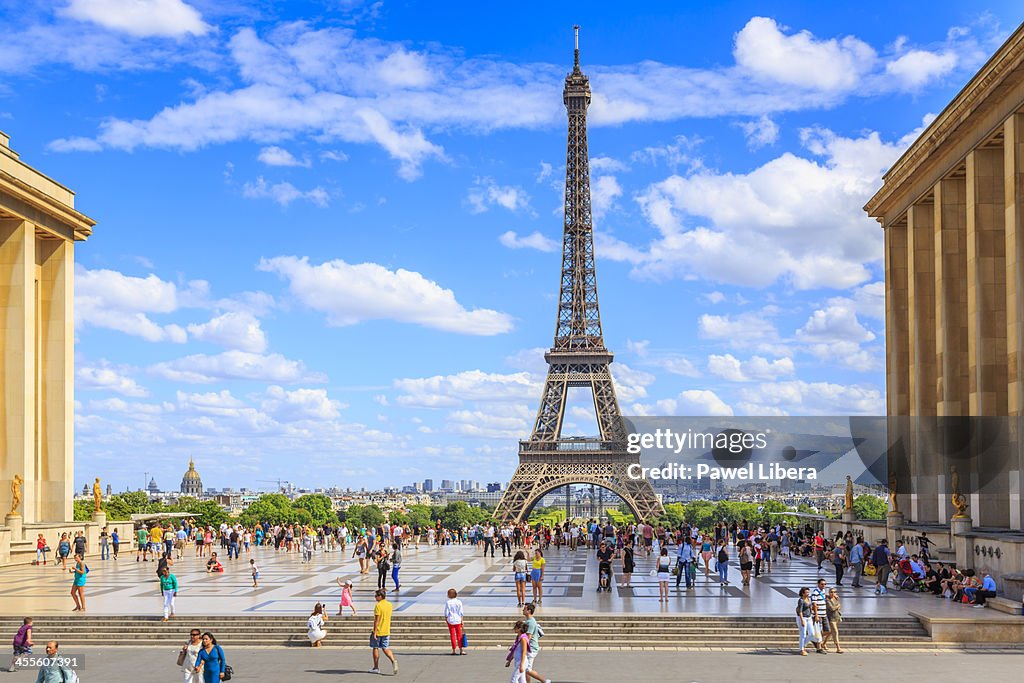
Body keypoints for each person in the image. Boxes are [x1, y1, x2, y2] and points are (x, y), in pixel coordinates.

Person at [369, 589, 398, 676]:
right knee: (385, 647)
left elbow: (376, 620)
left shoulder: (378, 606)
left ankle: (376, 667)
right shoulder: (389, 605)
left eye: (376, 596)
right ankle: (393, 660)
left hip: (378, 631)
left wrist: (374, 632)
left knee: (375, 647)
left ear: (380, 596)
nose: (375, 597)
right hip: (386, 630)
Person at [521, 603, 551, 683]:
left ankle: (544, 681)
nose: (523, 610)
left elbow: (528, 637)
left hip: (531, 648)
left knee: (527, 669)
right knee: (526, 668)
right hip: (529, 648)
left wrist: (520, 645)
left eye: (525, 609)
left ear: (529, 611)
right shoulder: (528, 621)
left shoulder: (530, 622)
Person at [795, 588, 819, 656]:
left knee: (811, 633)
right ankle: (802, 649)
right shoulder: (801, 600)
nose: (808, 593)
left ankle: (802, 645)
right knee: (803, 634)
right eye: (806, 592)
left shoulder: (809, 599)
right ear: (803, 593)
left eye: (808, 592)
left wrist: (813, 611)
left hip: (809, 617)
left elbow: (810, 607)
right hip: (803, 618)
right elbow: (800, 611)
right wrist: (802, 620)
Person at [444, 588, 465, 656]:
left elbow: (446, 613)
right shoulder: (459, 602)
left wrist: (446, 619)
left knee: (452, 635)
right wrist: (462, 620)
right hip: (458, 620)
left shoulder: (448, 602)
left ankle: (454, 650)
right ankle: (461, 650)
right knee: (459, 635)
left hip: (451, 620)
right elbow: (461, 612)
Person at [824, 587, 843, 652]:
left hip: (836, 617)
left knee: (831, 632)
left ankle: (823, 643)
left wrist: (838, 602)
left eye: (834, 592)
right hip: (831, 618)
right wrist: (837, 606)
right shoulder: (827, 600)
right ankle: (838, 647)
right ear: (829, 593)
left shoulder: (835, 599)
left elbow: (839, 607)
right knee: (835, 631)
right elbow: (832, 608)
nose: (833, 593)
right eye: (831, 592)